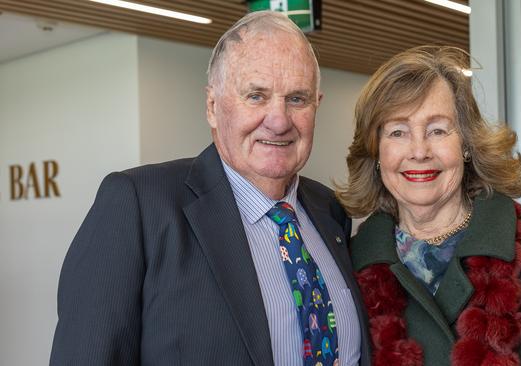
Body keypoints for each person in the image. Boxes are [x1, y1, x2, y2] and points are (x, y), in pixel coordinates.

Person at [50, 11, 370, 366]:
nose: (279, 120)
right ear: (213, 107)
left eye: (297, 98)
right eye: (256, 96)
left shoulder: (329, 210)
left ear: (316, 106)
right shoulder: (138, 205)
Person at [336, 46, 521, 366]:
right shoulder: (348, 266)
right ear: (377, 154)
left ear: (465, 144)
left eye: (437, 130)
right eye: (398, 132)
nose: (419, 151)